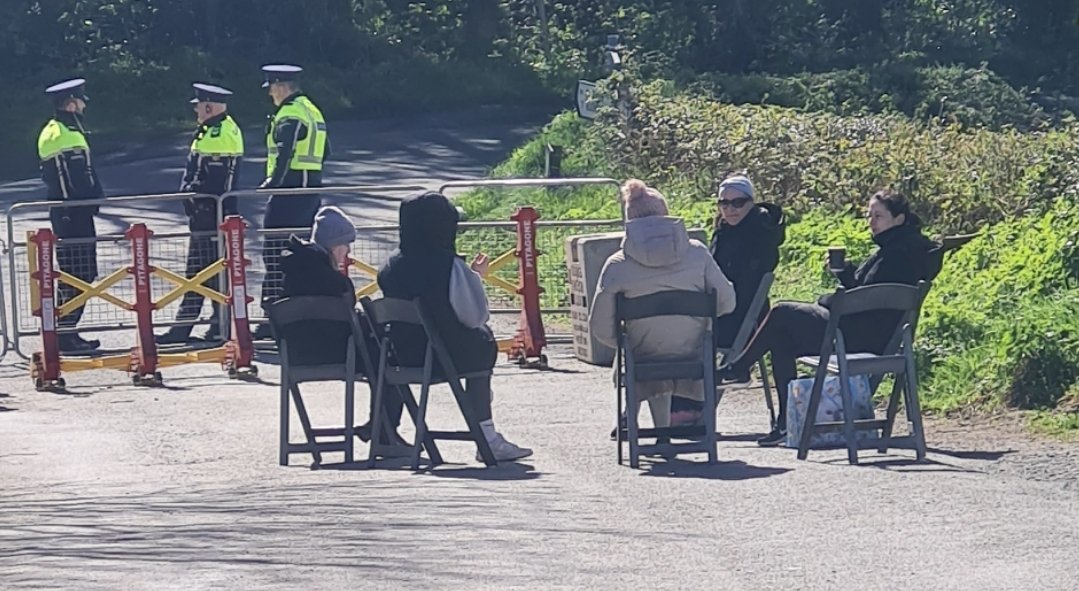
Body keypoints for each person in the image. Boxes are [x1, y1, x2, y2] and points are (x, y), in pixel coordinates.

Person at [720, 190, 943, 447]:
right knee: (782, 339)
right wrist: (845, 273)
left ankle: (740, 367)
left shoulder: (894, 254)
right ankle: (784, 421)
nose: (871, 221)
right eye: (869, 215)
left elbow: (859, 299)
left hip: (854, 337)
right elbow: (866, 294)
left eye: (878, 216)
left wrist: (828, 298)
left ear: (899, 219)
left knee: (782, 313)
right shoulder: (910, 251)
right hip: (883, 339)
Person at [377, 192, 532, 462]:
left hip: (402, 356)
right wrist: (475, 279)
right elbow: (474, 316)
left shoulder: (391, 265)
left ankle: (388, 430)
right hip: (446, 356)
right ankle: (486, 436)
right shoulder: (449, 265)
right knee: (482, 340)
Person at [589, 179, 736, 429]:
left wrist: (623, 344)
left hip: (643, 358)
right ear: (666, 214)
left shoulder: (618, 264)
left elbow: (600, 326)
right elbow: (727, 302)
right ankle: (663, 428)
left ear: (628, 220)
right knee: (662, 339)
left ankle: (632, 418)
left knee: (635, 344)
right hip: (693, 356)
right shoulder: (698, 254)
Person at [277, 206, 409, 448]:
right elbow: (344, 319)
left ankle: (380, 430)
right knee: (390, 360)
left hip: (296, 354)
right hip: (336, 352)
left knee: (380, 355)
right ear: (334, 245)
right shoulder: (333, 280)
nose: (348, 251)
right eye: (346, 244)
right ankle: (384, 433)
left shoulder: (293, 272)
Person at [157, 83, 244, 345]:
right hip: (205, 214)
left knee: (201, 272)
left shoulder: (219, 133)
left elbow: (213, 182)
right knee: (207, 271)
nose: (196, 110)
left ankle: (190, 328)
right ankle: (216, 326)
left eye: (199, 105)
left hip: (211, 215)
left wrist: (195, 200)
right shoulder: (211, 130)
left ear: (209, 106)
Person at [254, 64, 329, 340]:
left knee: (274, 254)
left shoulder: (290, 113)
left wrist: (273, 183)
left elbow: (285, 152)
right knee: (302, 253)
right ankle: (300, 315)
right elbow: (327, 151)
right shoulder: (312, 109)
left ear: (281, 86)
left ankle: (272, 317)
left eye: (271, 88)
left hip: (288, 194)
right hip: (309, 192)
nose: (270, 94)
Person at [38, 78, 103, 353]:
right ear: (72, 102)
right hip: (74, 215)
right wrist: (95, 199)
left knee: (74, 274)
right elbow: (81, 180)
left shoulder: (54, 129)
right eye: (82, 99)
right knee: (80, 274)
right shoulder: (67, 133)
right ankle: (65, 333)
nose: (85, 104)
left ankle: (67, 331)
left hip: (65, 213)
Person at [710, 175, 785, 347]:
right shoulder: (724, 230)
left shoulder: (761, 232)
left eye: (738, 202)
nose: (730, 209)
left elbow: (744, 283)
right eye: (724, 203)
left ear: (751, 202)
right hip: (725, 308)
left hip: (744, 318)